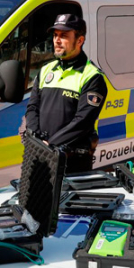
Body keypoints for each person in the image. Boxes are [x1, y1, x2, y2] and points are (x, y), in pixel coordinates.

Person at [25, 13, 107, 173]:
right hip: (40, 157)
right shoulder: (46, 70)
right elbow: (32, 108)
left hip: (72, 163)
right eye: (55, 35)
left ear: (80, 40)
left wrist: (50, 146)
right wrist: (38, 140)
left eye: (64, 36)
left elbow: (82, 122)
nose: (57, 40)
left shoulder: (92, 76)